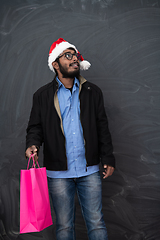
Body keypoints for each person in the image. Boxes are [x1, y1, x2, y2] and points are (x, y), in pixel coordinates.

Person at [25, 38, 115, 240]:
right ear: (55, 64)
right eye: (68, 55)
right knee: (64, 227)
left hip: (89, 170)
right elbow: (35, 127)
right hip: (58, 174)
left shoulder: (93, 92)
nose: (74, 58)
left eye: (75, 54)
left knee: (96, 223)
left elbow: (102, 126)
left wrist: (108, 157)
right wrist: (32, 144)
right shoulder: (42, 96)